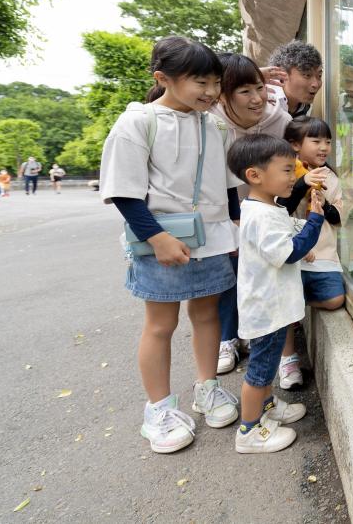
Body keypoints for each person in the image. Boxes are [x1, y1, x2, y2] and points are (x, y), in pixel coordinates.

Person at [99, 36, 241, 454]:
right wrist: (156, 237)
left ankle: (207, 388)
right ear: (163, 78)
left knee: (208, 315)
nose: (212, 92)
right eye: (201, 81)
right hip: (160, 239)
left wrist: (234, 229)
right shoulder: (137, 122)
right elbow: (124, 192)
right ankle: (158, 410)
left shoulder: (215, 125)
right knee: (160, 325)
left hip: (212, 236)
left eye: (216, 81)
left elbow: (229, 188)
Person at [227, 134, 325, 453]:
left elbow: (285, 237)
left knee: (267, 366)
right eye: (287, 170)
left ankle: (267, 409)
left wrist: (301, 235)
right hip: (268, 309)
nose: (294, 177)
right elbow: (289, 252)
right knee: (260, 370)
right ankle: (250, 431)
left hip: (273, 306)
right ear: (254, 175)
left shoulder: (266, 207)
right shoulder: (262, 214)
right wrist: (315, 220)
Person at [210, 52, 293, 375]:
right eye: (244, 91)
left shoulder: (279, 121)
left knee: (268, 279)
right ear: (223, 93)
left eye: (259, 88)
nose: (257, 98)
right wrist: (231, 218)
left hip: (268, 214)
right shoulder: (212, 122)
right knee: (231, 275)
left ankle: (275, 348)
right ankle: (227, 338)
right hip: (227, 212)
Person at [277, 116, 346, 390]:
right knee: (286, 311)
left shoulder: (331, 177)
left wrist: (323, 203)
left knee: (334, 300)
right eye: (316, 140)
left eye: (327, 141)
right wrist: (303, 182)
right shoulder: (285, 172)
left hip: (323, 253)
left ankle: (302, 304)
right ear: (295, 144)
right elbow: (281, 206)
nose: (324, 147)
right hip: (292, 253)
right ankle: (288, 360)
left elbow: (339, 217)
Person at [265, 41, 323, 118]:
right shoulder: (264, 101)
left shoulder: (306, 107)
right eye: (307, 75)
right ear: (282, 73)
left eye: (319, 76)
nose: (316, 84)